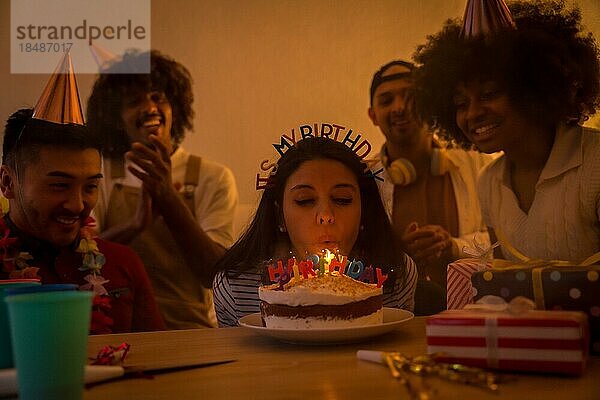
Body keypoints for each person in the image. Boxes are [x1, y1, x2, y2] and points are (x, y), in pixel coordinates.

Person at [413, 0, 600, 262]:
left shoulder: (595, 162)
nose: (472, 113)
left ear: (533, 89)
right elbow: (504, 277)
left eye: (488, 94)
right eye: (461, 104)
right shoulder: (489, 181)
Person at [87, 50, 238, 329]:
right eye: (134, 101)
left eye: (158, 97)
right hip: (115, 329)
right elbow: (82, 260)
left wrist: (168, 198)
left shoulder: (212, 177)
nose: (150, 108)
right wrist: (134, 226)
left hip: (189, 331)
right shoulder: (100, 173)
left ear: (176, 108)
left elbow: (216, 274)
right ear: (115, 117)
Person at [212, 136, 417, 327]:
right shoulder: (236, 287)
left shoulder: (396, 273)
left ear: (364, 210)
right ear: (280, 216)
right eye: (305, 200)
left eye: (342, 199)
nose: (325, 215)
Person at [0, 106, 165, 333]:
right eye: (60, 185)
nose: (77, 204)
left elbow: (159, 360)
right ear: (8, 182)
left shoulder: (122, 263)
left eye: (90, 187)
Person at [368, 60, 493, 313]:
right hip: (393, 320)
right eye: (386, 100)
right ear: (373, 115)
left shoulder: (478, 163)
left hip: (475, 314)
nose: (400, 107)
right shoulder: (364, 180)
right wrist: (397, 253)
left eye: (411, 96)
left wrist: (453, 247)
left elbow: (504, 243)